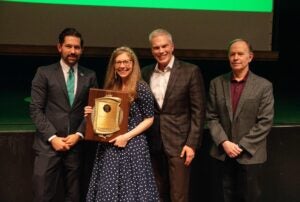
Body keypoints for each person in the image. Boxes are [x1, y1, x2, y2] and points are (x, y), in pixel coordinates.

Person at [30, 27, 98, 202]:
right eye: (69, 46)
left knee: (74, 196)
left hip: (75, 146)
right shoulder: (44, 73)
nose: (73, 51)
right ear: (59, 47)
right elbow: (35, 109)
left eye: (77, 47)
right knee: (42, 195)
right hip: (48, 146)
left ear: (81, 50)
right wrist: (53, 138)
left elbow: (93, 110)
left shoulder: (89, 75)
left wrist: (79, 134)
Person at [85, 46, 159, 201]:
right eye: (118, 62)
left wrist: (126, 136)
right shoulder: (111, 87)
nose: (122, 66)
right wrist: (92, 113)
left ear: (133, 64)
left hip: (132, 146)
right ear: (113, 65)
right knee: (108, 188)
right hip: (109, 145)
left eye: (126, 62)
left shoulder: (141, 87)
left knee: (131, 189)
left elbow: (149, 118)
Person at [142, 28, 206, 202]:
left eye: (164, 46)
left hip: (179, 144)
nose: (161, 51)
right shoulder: (145, 72)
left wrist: (192, 144)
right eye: (156, 47)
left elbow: (198, 112)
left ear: (172, 47)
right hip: (153, 143)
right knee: (156, 194)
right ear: (151, 50)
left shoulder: (190, 71)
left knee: (178, 196)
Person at [206, 38, 274, 202]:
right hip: (223, 153)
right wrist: (224, 142)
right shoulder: (216, 83)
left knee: (249, 197)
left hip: (250, 155)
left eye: (240, 54)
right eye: (232, 54)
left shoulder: (264, 86)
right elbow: (211, 116)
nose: (236, 57)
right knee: (223, 197)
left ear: (250, 57)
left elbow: (265, 121)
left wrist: (242, 146)